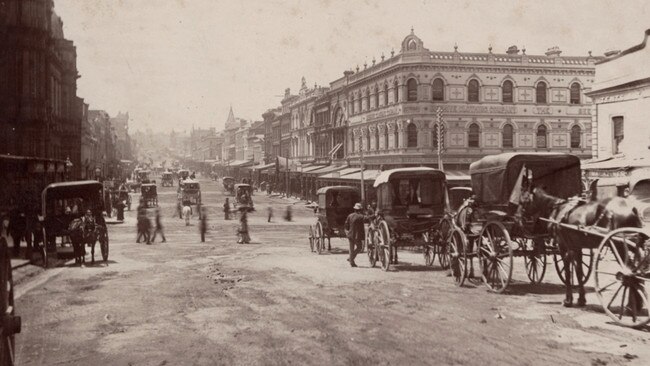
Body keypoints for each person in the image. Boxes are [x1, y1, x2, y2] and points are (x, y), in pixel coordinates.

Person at [344, 202, 373, 267]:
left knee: (351, 249)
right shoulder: (361, 216)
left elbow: (346, 224)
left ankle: (351, 260)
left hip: (350, 234)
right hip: (357, 235)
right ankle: (351, 259)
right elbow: (367, 218)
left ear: (355, 209)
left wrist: (347, 231)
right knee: (359, 247)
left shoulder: (350, 215)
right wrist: (375, 215)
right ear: (360, 210)